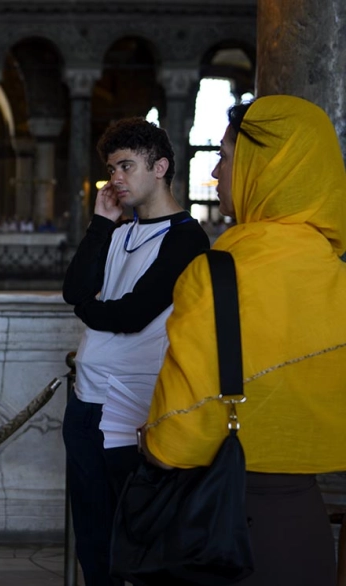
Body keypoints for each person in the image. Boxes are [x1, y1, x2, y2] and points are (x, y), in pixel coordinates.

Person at [143, 95, 346, 586]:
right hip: (308, 533)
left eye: (228, 156)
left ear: (266, 167)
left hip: (225, 533)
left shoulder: (217, 274)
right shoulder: (336, 278)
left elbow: (173, 438)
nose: (217, 172)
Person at [61, 118, 209, 586]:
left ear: (160, 167)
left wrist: (90, 308)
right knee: (92, 541)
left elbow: (132, 314)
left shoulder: (186, 237)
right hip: (86, 403)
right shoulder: (118, 231)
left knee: (139, 544)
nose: (114, 179)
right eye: (111, 167)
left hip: (135, 412)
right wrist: (101, 224)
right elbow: (74, 290)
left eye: (126, 166)